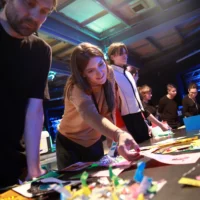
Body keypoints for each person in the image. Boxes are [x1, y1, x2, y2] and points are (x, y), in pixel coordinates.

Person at [56, 43, 140, 170]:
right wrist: (118, 134)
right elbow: (91, 116)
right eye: (91, 70)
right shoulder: (75, 86)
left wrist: (115, 145)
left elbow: (109, 108)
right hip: (70, 144)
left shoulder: (109, 72)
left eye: (100, 64)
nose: (100, 73)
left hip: (95, 141)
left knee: (101, 182)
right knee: (75, 187)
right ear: (82, 73)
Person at [0, 0, 57, 187]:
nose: (34, 16)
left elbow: (34, 110)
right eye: (29, 3)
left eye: (44, 11)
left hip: (11, 166)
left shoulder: (41, 51)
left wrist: (34, 168)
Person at [107, 42, 169, 143]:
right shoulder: (111, 75)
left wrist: (152, 123)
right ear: (112, 56)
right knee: (138, 150)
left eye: (125, 53)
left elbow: (139, 105)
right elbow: (113, 105)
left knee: (148, 146)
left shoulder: (127, 74)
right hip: (127, 119)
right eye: (121, 53)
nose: (125, 56)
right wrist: (122, 128)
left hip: (139, 117)